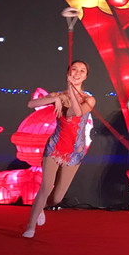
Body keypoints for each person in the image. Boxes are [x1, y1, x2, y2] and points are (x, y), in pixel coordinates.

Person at [22, 60, 95, 238]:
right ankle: (30, 226)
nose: (77, 73)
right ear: (68, 73)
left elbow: (75, 112)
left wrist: (70, 90)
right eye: (74, 70)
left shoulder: (89, 99)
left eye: (82, 71)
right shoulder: (59, 95)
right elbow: (31, 104)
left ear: (86, 76)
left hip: (75, 152)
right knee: (46, 187)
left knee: (57, 198)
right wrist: (54, 99)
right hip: (54, 147)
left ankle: (41, 207)